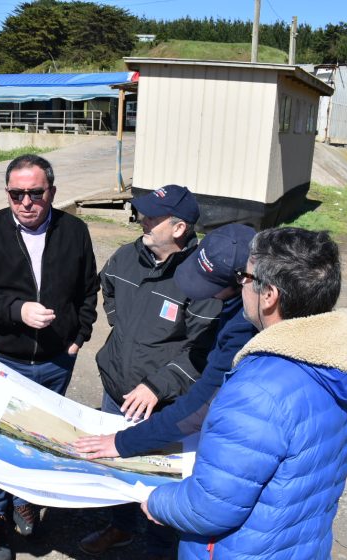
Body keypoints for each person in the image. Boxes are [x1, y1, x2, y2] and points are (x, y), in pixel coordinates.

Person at [142, 227, 347, 560]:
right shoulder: (343, 359)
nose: (241, 284)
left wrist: (158, 501)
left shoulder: (258, 390)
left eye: (246, 277)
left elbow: (211, 507)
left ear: (270, 295)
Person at [74, 223, 259, 559]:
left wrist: (122, 441)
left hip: (175, 412)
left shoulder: (241, 329)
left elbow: (199, 405)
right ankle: (122, 528)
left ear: (245, 281)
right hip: (122, 387)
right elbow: (110, 287)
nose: (203, 293)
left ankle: (160, 549)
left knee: (164, 488)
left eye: (210, 287)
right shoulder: (237, 303)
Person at [0, 154, 99, 560]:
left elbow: (88, 290)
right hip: (4, 360)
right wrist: (17, 310)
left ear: (51, 192)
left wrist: (79, 336)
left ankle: (24, 500)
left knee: (36, 442)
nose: (25, 202)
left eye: (34, 193)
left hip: (56, 361)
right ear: (7, 193)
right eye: (16, 194)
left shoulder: (74, 230)